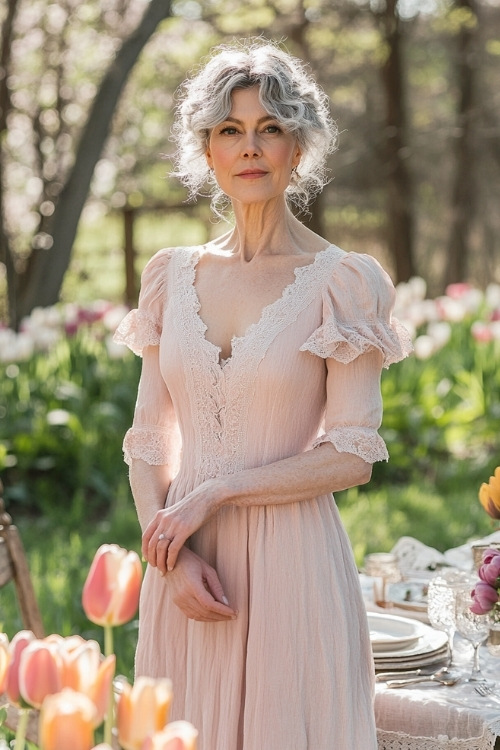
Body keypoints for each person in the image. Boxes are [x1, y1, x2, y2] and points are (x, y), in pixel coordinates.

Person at [114, 39, 412, 750]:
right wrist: (171, 554)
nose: (251, 148)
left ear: (298, 148)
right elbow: (148, 439)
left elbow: (352, 454)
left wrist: (215, 494)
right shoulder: (169, 273)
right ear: (208, 151)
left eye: (270, 128)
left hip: (291, 565)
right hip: (185, 566)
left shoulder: (345, 282)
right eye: (230, 130)